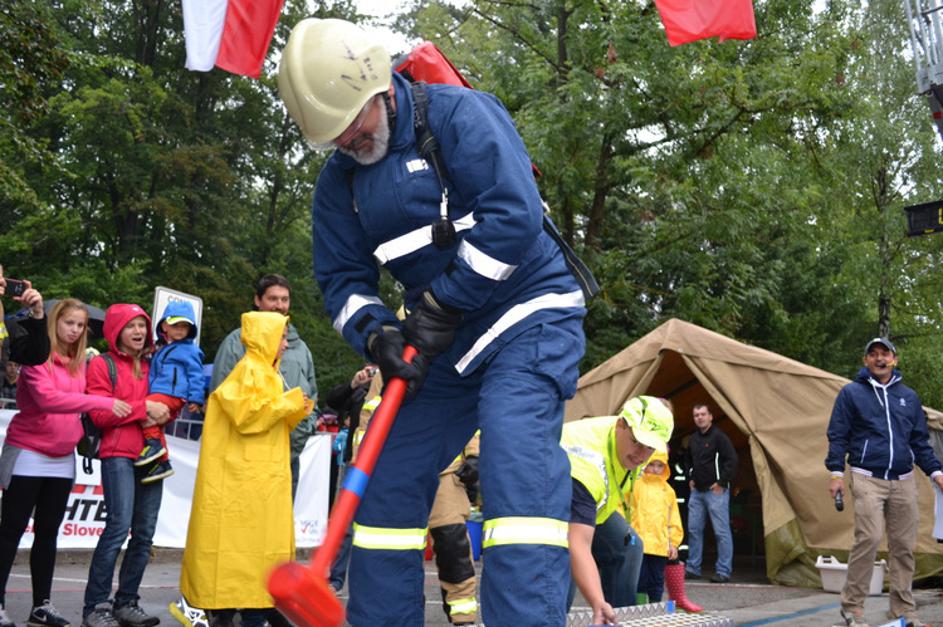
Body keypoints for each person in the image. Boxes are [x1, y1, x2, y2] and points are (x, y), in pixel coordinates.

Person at [277, 18, 588, 625]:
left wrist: (444, 301)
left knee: (514, 471)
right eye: (331, 135)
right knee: (386, 480)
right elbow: (341, 281)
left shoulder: (460, 117)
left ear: (378, 86)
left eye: (352, 123)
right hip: (440, 341)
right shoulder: (339, 184)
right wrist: (375, 332)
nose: (345, 140)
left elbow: (514, 217)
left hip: (527, 314)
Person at [170, 274, 317, 627]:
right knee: (238, 545)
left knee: (259, 546)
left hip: (267, 471)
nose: (286, 343)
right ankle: (228, 608)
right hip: (242, 474)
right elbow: (247, 414)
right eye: (281, 337)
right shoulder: (248, 368)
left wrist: (295, 409)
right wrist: (291, 403)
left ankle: (261, 605)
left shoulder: (269, 370)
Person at [0, 299, 132, 627]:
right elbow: (48, 400)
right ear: (55, 322)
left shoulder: (80, 364)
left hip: (62, 459)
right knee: (10, 532)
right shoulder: (36, 356)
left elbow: (91, 398)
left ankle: (41, 605)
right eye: (68, 323)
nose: (74, 330)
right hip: (27, 452)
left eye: (80, 325)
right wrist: (101, 401)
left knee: (48, 533)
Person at [826, 337, 943, 627]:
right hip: (866, 476)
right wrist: (836, 473)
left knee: (904, 545)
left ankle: (903, 610)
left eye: (885, 354)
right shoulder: (851, 394)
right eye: (873, 354)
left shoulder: (909, 397)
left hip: (904, 480)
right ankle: (852, 607)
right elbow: (838, 435)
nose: (880, 359)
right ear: (866, 361)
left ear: (895, 359)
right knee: (869, 538)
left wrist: (936, 472)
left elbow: (919, 442)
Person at [82, 304, 172, 627]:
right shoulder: (102, 364)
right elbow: (100, 413)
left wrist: (160, 410)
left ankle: (126, 603)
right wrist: (142, 408)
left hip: (154, 455)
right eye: (131, 325)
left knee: (145, 535)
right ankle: (95, 607)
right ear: (115, 330)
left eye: (142, 325)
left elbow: (166, 408)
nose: (138, 332)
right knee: (118, 528)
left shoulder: (154, 364)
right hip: (118, 454)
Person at [562, 396, 673, 624]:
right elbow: (577, 544)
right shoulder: (588, 463)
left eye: (650, 448)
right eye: (637, 443)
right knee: (567, 558)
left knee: (629, 546)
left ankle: (618, 619)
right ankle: (554, 619)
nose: (641, 455)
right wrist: (596, 601)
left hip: (594, 505)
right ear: (620, 424)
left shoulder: (631, 447)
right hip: (549, 504)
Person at [139, 301, 205, 484]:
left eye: (185, 327)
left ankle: (153, 444)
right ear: (164, 325)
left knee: (143, 409)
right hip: (162, 391)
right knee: (156, 423)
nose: (179, 330)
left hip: (172, 394)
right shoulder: (163, 347)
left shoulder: (189, 350)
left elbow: (196, 374)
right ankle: (162, 462)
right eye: (175, 325)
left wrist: (196, 398)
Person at [630, 449, 702, 612]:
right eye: (652, 465)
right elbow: (629, 512)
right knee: (639, 580)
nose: (655, 469)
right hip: (639, 543)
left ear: (665, 467)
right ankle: (640, 609)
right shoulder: (636, 485)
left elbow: (673, 519)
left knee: (656, 579)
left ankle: (656, 609)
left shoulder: (668, 491)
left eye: (659, 466)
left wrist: (674, 543)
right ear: (644, 464)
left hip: (659, 545)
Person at [684, 403, 737, 584]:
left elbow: (732, 460)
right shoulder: (692, 439)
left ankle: (723, 571)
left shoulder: (719, 437)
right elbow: (687, 460)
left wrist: (721, 483)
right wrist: (689, 477)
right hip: (697, 492)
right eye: (696, 415)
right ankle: (693, 567)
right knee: (693, 530)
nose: (699, 417)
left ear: (710, 416)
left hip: (716, 492)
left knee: (721, 532)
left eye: (703, 414)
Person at [0, 268, 50, 367]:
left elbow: (35, 356)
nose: (2, 282)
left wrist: (37, 313)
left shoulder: (5, 323)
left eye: (1, 277)